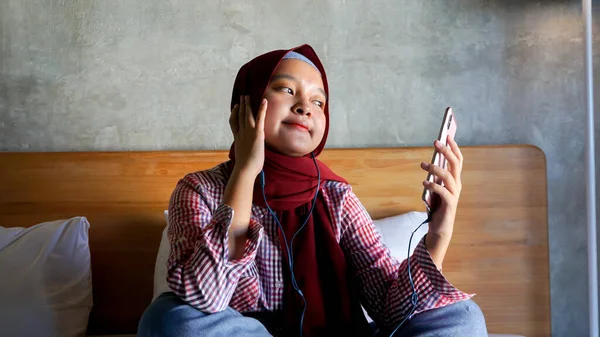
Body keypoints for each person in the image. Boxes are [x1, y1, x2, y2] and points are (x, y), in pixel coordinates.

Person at [138, 44, 487, 337]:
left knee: (463, 316)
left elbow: (390, 309)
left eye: (319, 102)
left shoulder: (334, 195)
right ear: (245, 104)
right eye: (286, 90)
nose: (305, 106)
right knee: (169, 317)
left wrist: (438, 234)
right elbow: (203, 297)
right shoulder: (199, 189)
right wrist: (245, 173)